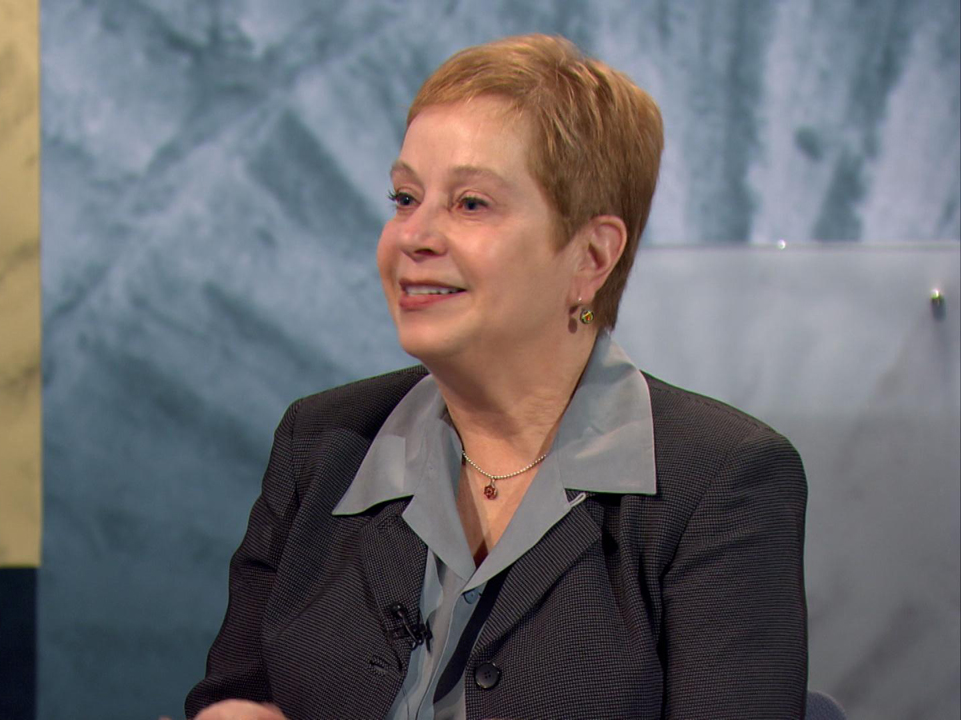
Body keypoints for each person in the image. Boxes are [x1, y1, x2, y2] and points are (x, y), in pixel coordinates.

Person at [185, 34, 807, 720]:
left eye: (471, 204)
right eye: (404, 197)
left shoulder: (720, 480)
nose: (414, 236)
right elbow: (236, 695)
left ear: (591, 257)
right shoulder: (324, 442)